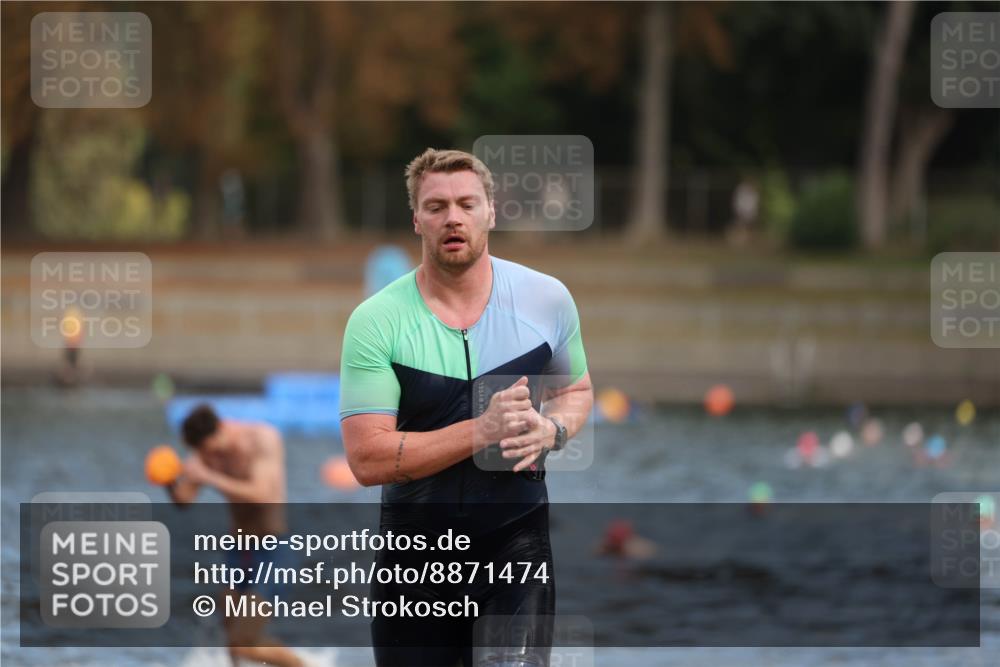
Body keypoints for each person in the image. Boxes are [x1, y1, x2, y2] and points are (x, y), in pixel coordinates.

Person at [339, 148, 594, 666]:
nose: (452, 217)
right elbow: (366, 460)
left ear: (490, 212)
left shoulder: (547, 300)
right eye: (436, 207)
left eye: (466, 204)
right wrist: (482, 430)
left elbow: (576, 392)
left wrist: (554, 432)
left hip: (514, 551)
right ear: (417, 220)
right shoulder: (376, 321)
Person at [169, 404, 303, 667]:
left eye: (208, 451)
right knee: (232, 638)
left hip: (272, 550)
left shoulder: (261, 439)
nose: (207, 457)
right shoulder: (206, 453)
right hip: (237, 551)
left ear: (220, 430)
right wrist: (166, 478)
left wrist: (209, 476)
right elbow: (184, 499)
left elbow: (263, 495)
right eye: (201, 453)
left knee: (244, 641)